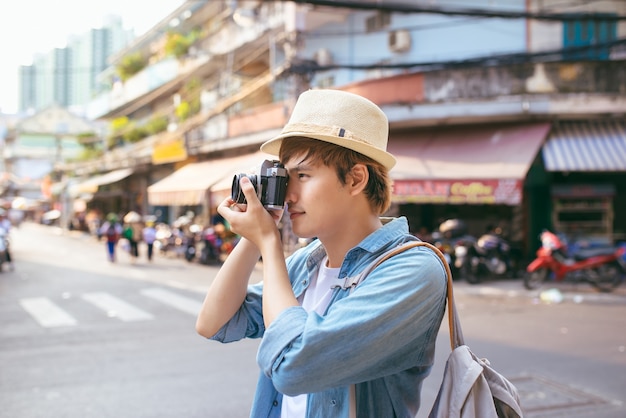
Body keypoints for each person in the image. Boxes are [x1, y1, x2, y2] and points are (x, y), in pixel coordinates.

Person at [196, 89, 448, 417]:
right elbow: (214, 323)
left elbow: (293, 366)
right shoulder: (309, 262)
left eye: (303, 175)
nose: (289, 194)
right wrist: (255, 235)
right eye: (287, 178)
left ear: (356, 179)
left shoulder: (414, 270)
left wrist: (270, 245)